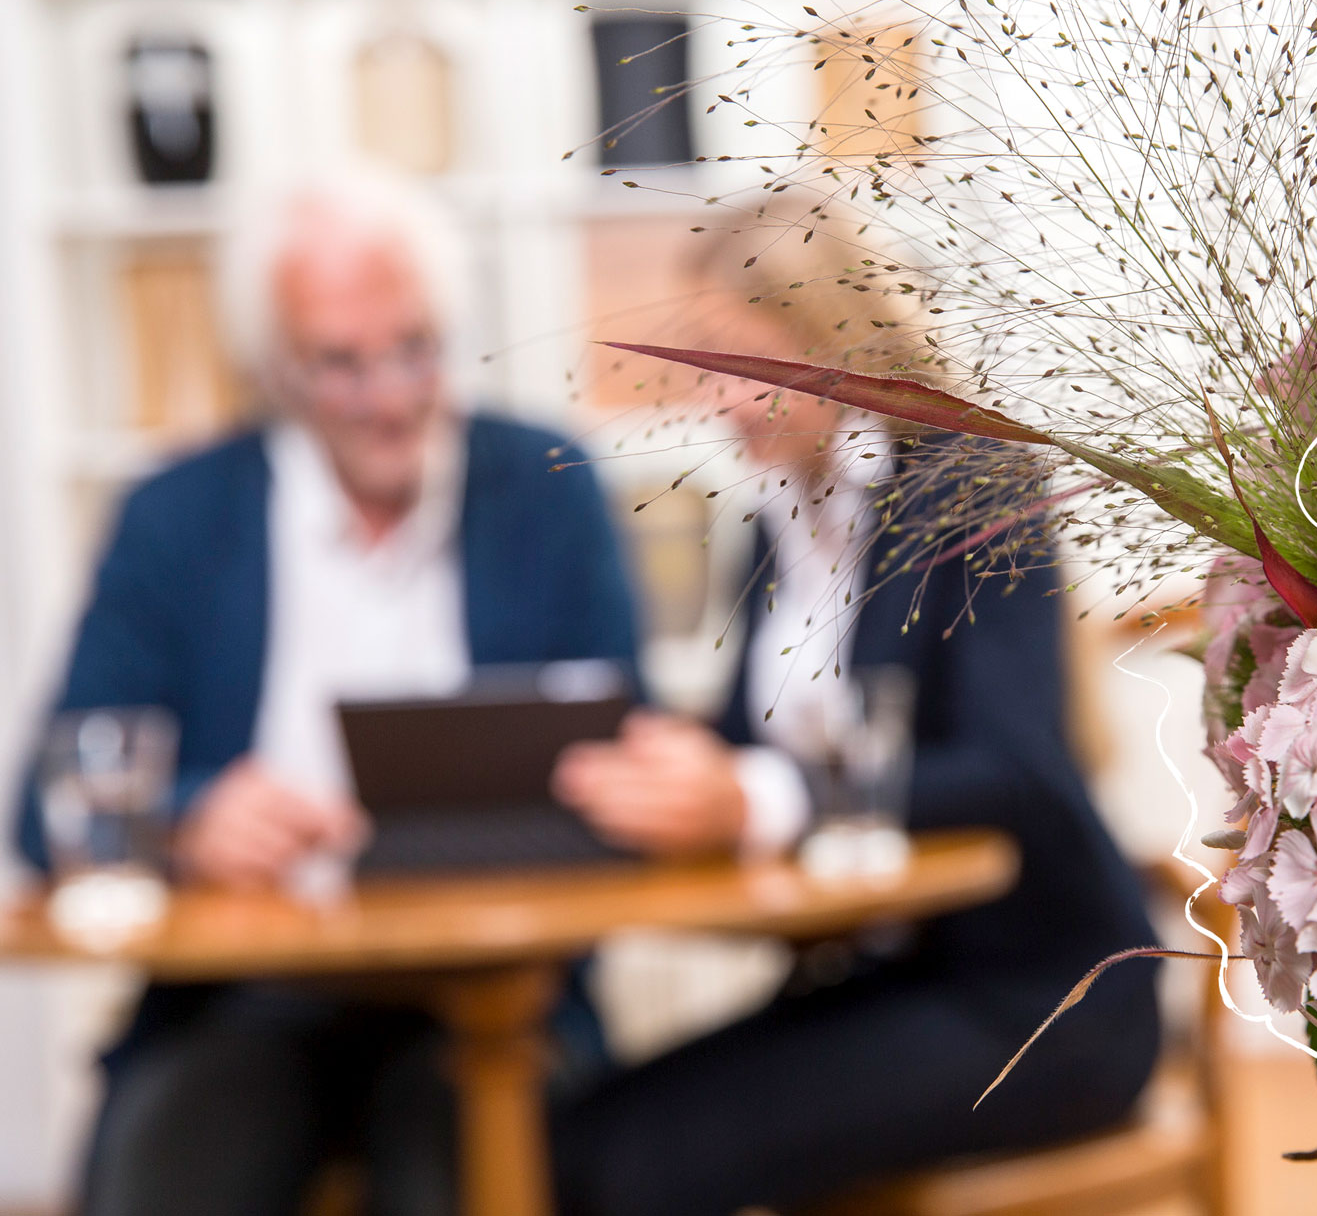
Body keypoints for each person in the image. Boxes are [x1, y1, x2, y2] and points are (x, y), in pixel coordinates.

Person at [15, 177, 642, 1216]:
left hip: (490, 1005)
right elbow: (44, 806)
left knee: (464, 1169)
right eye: (340, 362)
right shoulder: (177, 515)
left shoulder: (544, 484)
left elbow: (630, 758)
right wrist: (186, 817)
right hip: (239, 1005)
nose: (390, 396)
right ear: (277, 371)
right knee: (165, 1179)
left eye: (414, 348)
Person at [551, 210, 1161, 1216]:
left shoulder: (977, 485)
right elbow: (754, 739)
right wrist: (669, 755)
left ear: (834, 345)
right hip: (878, 974)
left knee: (635, 1161)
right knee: (578, 1127)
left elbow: (1011, 768)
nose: (716, 403)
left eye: (736, 364)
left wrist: (757, 797)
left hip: (1035, 997)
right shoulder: (776, 516)